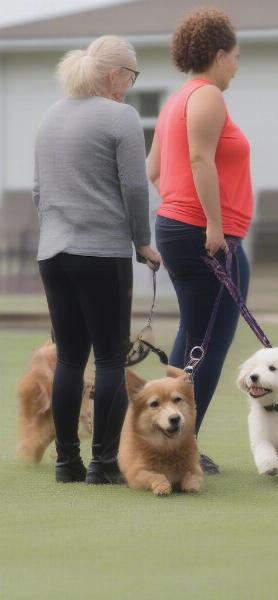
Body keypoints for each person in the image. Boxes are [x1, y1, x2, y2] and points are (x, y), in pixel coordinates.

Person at [33, 35, 161, 484]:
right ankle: (104, 464)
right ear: (114, 75)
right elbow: (134, 186)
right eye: (132, 74)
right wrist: (142, 240)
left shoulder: (51, 115)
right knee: (109, 359)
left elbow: (38, 191)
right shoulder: (120, 116)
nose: (131, 82)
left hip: (53, 251)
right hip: (101, 251)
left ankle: (67, 462)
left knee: (69, 358)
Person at [147, 8, 253, 473]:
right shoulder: (208, 95)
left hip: (178, 227)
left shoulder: (177, 99)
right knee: (207, 343)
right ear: (217, 55)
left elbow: (154, 170)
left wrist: (177, 208)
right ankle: (181, 448)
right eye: (234, 57)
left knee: (192, 335)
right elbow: (199, 159)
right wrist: (210, 223)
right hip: (206, 234)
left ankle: (158, 441)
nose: (236, 65)